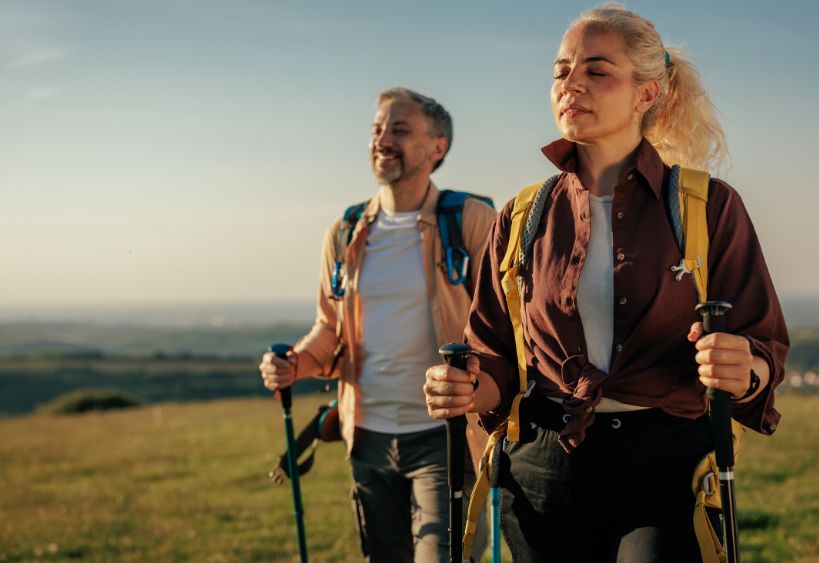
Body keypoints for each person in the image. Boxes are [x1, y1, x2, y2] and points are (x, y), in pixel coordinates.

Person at [423, 4, 789, 562]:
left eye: (597, 71)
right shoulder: (523, 214)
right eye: (561, 70)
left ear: (647, 94)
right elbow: (493, 352)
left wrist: (747, 368)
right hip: (542, 468)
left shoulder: (708, 206)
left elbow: (762, 343)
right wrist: (470, 387)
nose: (571, 84)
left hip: (667, 471)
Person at [259, 87, 495, 562]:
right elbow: (330, 327)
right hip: (366, 436)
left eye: (399, 130)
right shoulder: (346, 231)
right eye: (377, 129)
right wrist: (297, 363)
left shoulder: (470, 220)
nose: (382, 139)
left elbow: (502, 324)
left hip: (446, 435)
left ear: (437, 147)